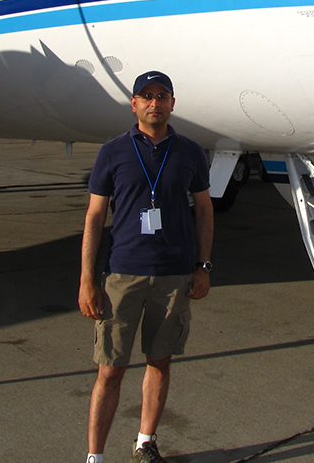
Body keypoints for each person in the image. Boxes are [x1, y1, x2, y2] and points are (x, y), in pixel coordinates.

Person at [79, 71, 214, 463]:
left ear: (173, 103)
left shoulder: (189, 151)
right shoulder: (113, 152)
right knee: (110, 369)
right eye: (146, 96)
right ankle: (95, 457)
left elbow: (204, 209)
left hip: (173, 274)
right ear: (134, 104)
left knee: (160, 361)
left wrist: (202, 265)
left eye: (162, 95)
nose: (154, 103)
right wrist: (88, 279)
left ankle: (145, 442)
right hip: (123, 274)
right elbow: (94, 216)